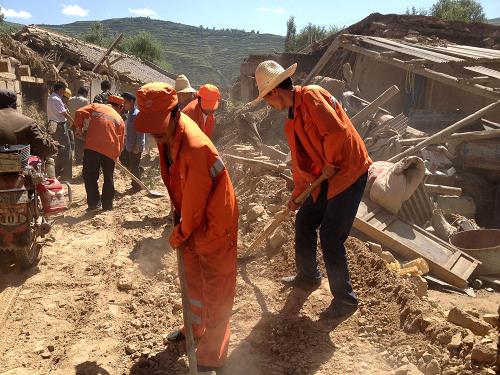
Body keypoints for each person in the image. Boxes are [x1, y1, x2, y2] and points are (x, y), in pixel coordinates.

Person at [252, 60, 372, 322]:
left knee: (330, 236)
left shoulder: (312, 96)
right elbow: (300, 164)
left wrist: (330, 160)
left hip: (349, 171)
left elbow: (337, 133)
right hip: (327, 175)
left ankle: (345, 300)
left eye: (266, 99)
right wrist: (297, 195)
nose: (268, 105)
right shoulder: (292, 121)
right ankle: (308, 277)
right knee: (304, 220)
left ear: (274, 91)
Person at [135, 82, 238, 375]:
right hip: (192, 216)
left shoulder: (193, 146)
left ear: (175, 111)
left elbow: (195, 204)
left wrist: (178, 233)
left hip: (216, 221)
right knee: (193, 278)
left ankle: (211, 357)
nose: (154, 131)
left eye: (158, 124)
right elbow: (180, 188)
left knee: (217, 289)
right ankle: (194, 327)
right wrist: (179, 220)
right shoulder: (165, 134)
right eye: (150, 125)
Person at [73, 95, 125, 211]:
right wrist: (116, 156)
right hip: (110, 150)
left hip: (92, 146)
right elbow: (121, 141)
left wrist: (78, 128)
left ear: (108, 102)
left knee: (90, 175)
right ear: (120, 107)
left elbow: (79, 112)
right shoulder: (120, 119)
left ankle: (94, 204)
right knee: (108, 177)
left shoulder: (97, 106)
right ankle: (107, 206)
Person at [0, 89, 57, 158]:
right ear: (14, 103)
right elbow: (42, 145)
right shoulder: (27, 122)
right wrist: (54, 146)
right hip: (15, 165)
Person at [46, 81, 73, 180]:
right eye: (64, 90)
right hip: (60, 126)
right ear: (61, 89)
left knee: (57, 150)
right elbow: (64, 114)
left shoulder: (50, 98)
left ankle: (57, 172)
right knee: (67, 150)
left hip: (52, 125)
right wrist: (74, 122)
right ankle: (67, 175)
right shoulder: (56, 99)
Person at [119, 92, 145, 192]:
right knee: (125, 161)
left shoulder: (136, 114)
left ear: (132, 102)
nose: (124, 104)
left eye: (126, 102)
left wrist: (137, 146)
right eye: (123, 102)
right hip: (129, 145)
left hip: (135, 146)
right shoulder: (129, 114)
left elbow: (140, 131)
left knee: (133, 166)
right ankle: (139, 171)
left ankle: (136, 186)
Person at [67, 87, 90, 164]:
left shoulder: (70, 99)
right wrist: (87, 127)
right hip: (81, 124)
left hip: (72, 124)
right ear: (84, 93)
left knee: (76, 142)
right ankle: (80, 160)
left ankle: (77, 159)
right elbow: (86, 115)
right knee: (82, 142)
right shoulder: (85, 101)